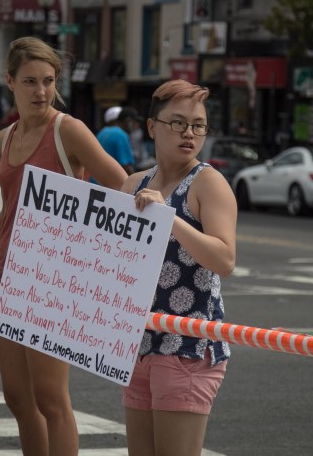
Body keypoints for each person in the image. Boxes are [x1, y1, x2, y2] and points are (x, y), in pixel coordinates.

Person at [0, 36, 126, 455]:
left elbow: (121, 182)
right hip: (8, 278)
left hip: (54, 281)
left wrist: (144, 198)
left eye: (48, 80)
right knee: (18, 399)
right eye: (30, 81)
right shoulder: (2, 139)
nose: (41, 91)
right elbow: (11, 214)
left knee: (51, 400)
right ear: (10, 81)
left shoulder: (69, 130)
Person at [120, 79, 237, 456]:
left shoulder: (209, 183)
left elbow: (225, 259)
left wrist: (169, 218)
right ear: (152, 127)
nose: (189, 133)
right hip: (137, 344)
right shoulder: (135, 183)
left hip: (187, 344)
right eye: (178, 123)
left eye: (198, 125)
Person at [93, 105, 136, 180]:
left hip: (96, 181)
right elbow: (126, 166)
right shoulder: (120, 134)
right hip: (110, 185)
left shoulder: (102, 132)